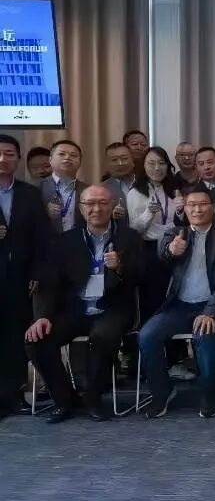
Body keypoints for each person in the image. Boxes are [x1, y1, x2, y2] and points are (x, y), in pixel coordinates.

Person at [24, 185, 143, 423]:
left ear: (113, 206)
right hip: (76, 309)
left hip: (112, 307)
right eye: (90, 204)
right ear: (81, 208)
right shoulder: (65, 241)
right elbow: (50, 282)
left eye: (102, 203)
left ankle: (93, 398)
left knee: (102, 336)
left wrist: (120, 267)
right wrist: (42, 316)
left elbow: (142, 276)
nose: (96, 209)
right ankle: (64, 399)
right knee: (37, 340)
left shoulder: (129, 238)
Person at [139, 185, 215, 418]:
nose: (197, 210)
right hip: (179, 306)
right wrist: (172, 251)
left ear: (213, 208)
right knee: (147, 335)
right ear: (185, 208)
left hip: (211, 307)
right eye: (192, 205)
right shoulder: (175, 234)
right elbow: (163, 256)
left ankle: (209, 393)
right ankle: (162, 392)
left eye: (203, 205)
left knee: (204, 337)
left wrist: (210, 311)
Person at [0, 134, 48, 420]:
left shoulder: (29, 194)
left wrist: (38, 273)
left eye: (9, 154)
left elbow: (42, 238)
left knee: (15, 339)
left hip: (20, 278)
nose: (3, 159)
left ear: (18, 159)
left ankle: (13, 395)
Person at [127, 146, 184, 321]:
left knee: (174, 294)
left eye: (161, 163)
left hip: (174, 248)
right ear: (143, 166)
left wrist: (181, 211)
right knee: (153, 298)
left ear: (168, 165)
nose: (157, 168)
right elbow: (134, 229)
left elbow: (180, 223)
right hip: (149, 250)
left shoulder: (173, 189)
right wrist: (148, 214)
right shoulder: (136, 193)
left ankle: (173, 336)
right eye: (151, 163)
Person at [40, 139, 87, 234]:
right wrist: (43, 213)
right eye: (62, 154)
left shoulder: (88, 190)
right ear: (50, 160)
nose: (67, 157)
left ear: (80, 162)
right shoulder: (35, 188)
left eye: (73, 155)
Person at [102, 142, 136, 224]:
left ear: (132, 160)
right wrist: (112, 217)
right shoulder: (101, 189)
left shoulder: (147, 184)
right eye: (114, 160)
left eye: (124, 158)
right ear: (107, 164)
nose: (120, 163)